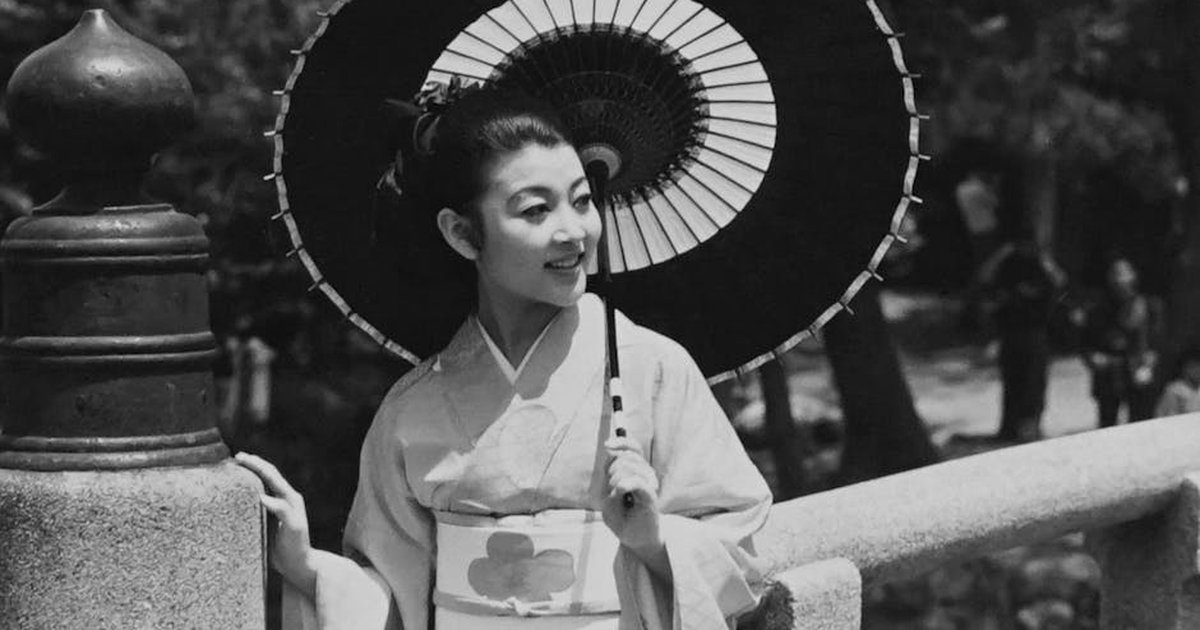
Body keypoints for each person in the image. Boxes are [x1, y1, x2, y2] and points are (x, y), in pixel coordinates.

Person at [236, 85, 773, 630]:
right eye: (536, 210)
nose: (573, 232)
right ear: (463, 233)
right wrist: (307, 568)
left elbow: (741, 548)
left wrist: (654, 540)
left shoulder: (653, 369)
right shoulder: (413, 408)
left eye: (583, 200)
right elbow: (394, 595)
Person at [977, 236, 1067, 442]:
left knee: (1034, 385)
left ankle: (1031, 429)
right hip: (1010, 334)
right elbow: (984, 277)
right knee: (1012, 385)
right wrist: (1002, 253)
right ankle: (1008, 430)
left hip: (1036, 334)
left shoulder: (1042, 269)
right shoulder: (1009, 267)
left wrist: (1044, 258)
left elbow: (1061, 281)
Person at [1079, 258, 1163, 427]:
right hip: (1109, 373)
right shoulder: (1097, 309)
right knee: (1107, 427)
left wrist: (1148, 365)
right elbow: (1085, 342)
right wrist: (1092, 357)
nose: (1120, 280)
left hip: (1138, 370)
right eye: (1115, 274)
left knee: (1141, 425)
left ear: (1134, 276)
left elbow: (1157, 342)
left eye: (1124, 273)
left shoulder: (1149, 306)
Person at [1155, 346, 1200, 417]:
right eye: (1193, 367)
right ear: (1184, 369)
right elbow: (1167, 417)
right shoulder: (1174, 390)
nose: (1197, 370)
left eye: (1199, 366)